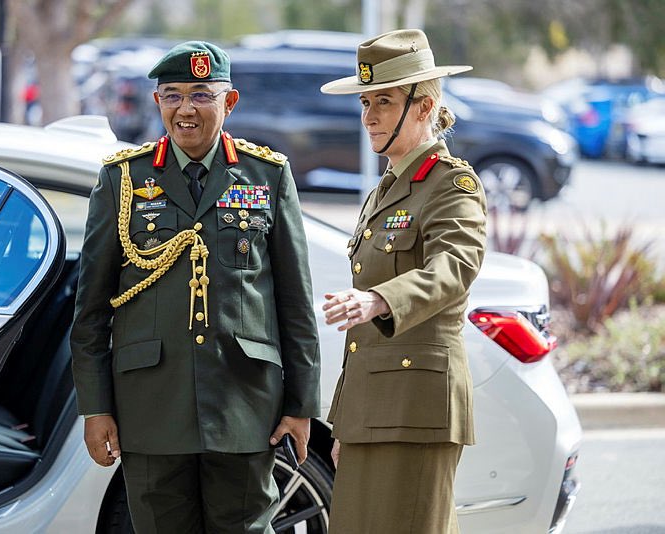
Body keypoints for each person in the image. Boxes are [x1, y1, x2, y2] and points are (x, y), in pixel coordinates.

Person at [70, 41, 320, 533]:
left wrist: (301, 405)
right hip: (150, 405)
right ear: (157, 102)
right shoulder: (124, 179)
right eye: (172, 95)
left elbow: (295, 303)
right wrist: (95, 407)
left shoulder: (266, 174)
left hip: (244, 403)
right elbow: (92, 310)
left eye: (202, 95)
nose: (186, 109)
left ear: (229, 102)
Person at [319, 29, 488, 533]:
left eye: (384, 102)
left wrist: (377, 298)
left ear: (423, 107)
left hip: (416, 406)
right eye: (366, 101)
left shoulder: (450, 185)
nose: (369, 115)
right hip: (373, 408)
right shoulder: (387, 189)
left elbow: (454, 267)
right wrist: (345, 420)